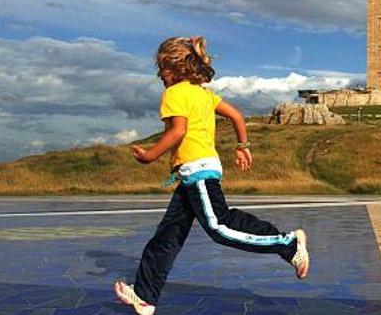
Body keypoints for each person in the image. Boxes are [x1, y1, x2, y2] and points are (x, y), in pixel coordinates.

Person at [114, 36, 309, 315]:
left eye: (163, 68)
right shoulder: (205, 95)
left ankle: (288, 244)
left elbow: (177, 131)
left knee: (220, 227)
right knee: (167, 236)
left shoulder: (175, 94)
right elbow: (238, 116)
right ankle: (145, 297)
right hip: (193, 174)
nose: (159, 75)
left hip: (199, 173)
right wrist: (242, 147)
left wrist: (149, 155)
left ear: (178, 68)